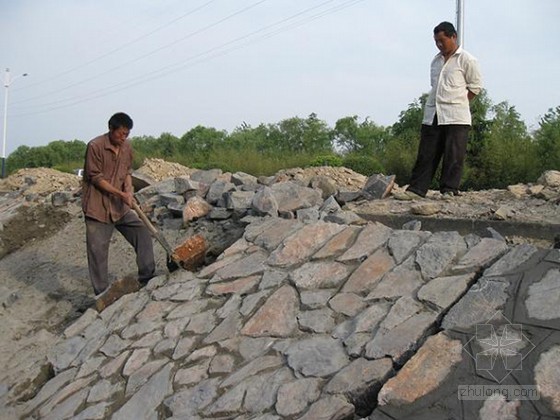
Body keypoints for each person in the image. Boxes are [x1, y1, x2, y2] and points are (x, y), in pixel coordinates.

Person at [394, 21, 482, 200]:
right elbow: (435, 86)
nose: (439, 44)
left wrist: (459, 102)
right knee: (426, 152)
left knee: (454, 154)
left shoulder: (467, 60)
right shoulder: (435, 61)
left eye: (442, 40)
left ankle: (449, 190)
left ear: (453, 37)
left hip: (456, 115)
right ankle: (416, 190)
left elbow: (476, 87)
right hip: (433, 113)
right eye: (436, 41)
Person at [82, 112, 155, 295]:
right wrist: (120, 194)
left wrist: (129, 191)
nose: (124, 137)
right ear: (110, 129)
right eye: (121, 133)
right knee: (97, 252)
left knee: (142, 233)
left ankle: (147, 277)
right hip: (97, 208)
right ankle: (102, 293)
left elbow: (128, 172)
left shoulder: (127, 147)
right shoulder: (95, 146)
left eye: (127, 134)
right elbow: (96, 178)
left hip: (120, 208)